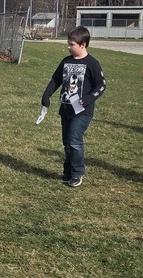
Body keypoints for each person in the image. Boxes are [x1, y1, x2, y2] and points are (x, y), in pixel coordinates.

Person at [40, 26, 106, 187]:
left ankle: (77, 173)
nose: (68, 47)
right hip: (66, 109)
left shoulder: (92, 63)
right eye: (68, 44)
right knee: (66, 142)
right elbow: (56, 80)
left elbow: (101, 85)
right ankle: (68, 171)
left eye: (72, 44)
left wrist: (88, 99)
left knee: (75, 140)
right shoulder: (66, 61)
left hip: (83, 111)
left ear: (83, 44)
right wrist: (46, 95)